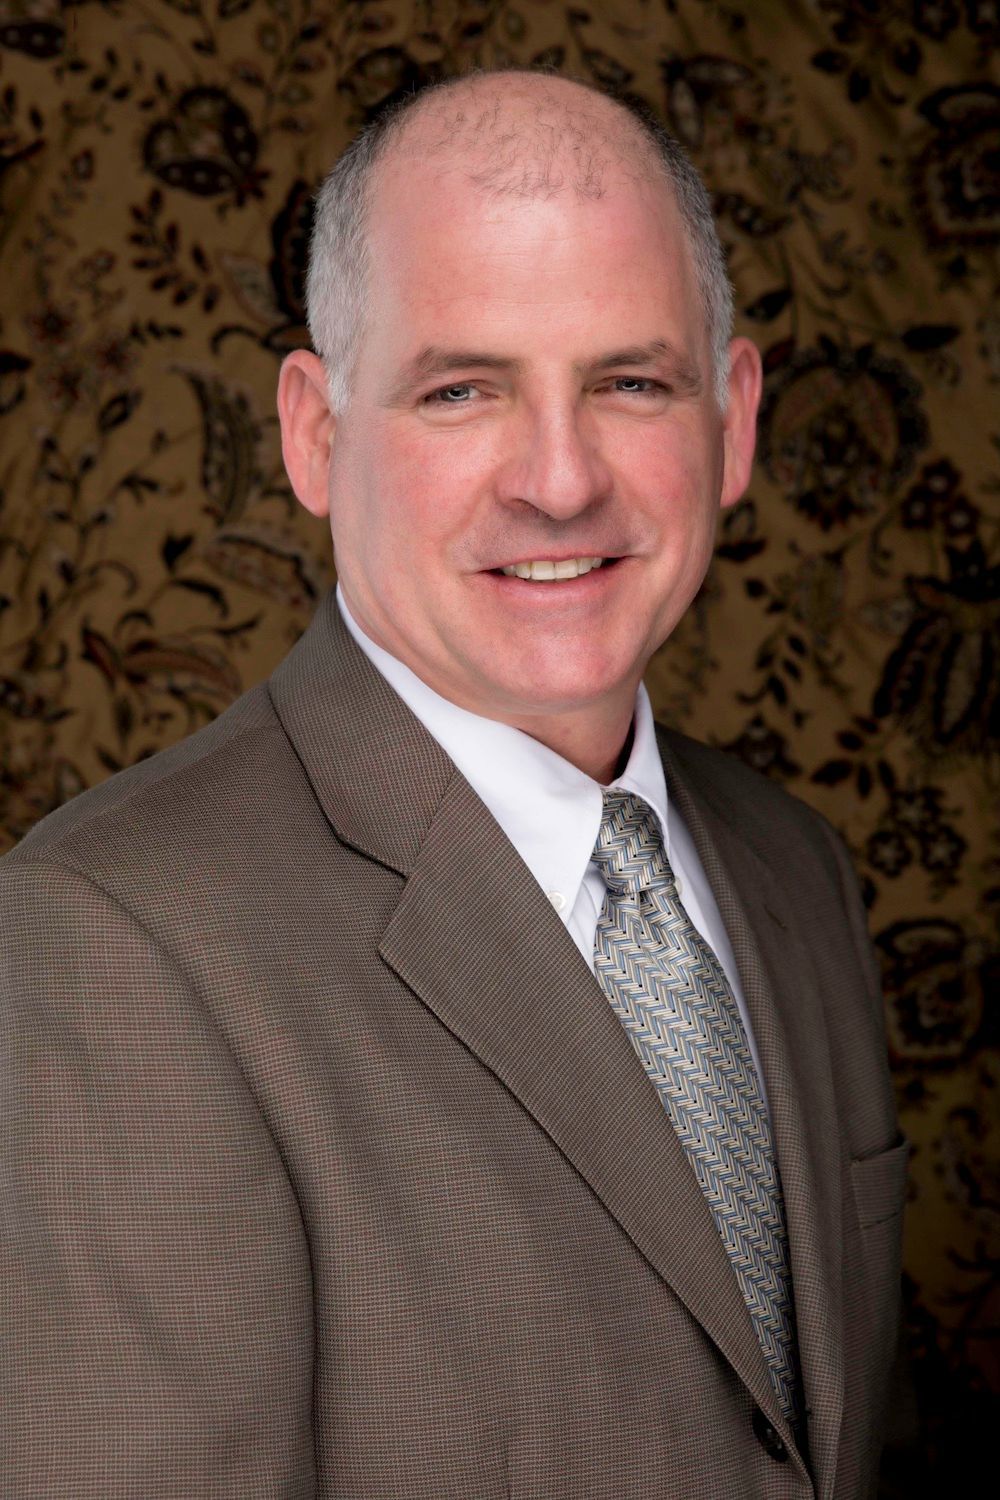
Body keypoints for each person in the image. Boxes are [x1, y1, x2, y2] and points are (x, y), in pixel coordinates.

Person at [1, 69, 907, 1498]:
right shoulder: (111, 943)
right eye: (461, 390)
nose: (558, 481)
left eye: (630, 382)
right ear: (316, 433)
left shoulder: (797, 870)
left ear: (732, 421)